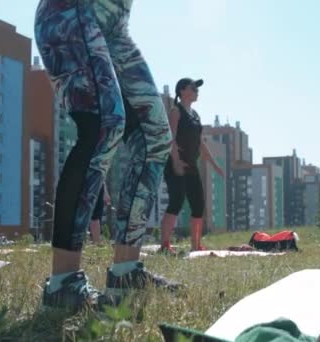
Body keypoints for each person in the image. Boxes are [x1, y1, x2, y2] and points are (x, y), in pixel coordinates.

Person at [35, 0, 179, 311]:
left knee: (154, 137)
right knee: (104, 124)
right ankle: (63, 283)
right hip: (70, 14)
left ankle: (125, 273)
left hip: (114, 29)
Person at [159, 78, 225, 254]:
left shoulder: (195, 115)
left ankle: (196, 245)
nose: (197, 91)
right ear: (182, 91)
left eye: (197, 88)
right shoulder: (175, 111)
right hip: (175, 164)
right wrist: (176, 161)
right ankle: (165, 245)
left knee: (198, 205)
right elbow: (170, 138)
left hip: (191, 165)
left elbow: (200, 143)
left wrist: (214, 165)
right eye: (193, 88)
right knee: (176, 201)